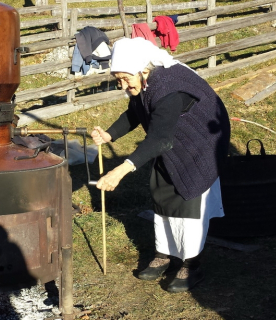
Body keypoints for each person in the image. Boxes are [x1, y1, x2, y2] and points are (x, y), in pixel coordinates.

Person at [91, 37, 230, 293]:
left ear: (143, 69)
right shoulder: (145, 82)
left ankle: (191, 264)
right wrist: (110, 134)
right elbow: (136, 111)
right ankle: (165, 254)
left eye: (125, 78)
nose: (122, 85)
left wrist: (121, 170)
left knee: (188, 202)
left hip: (199, 146)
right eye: (118, 79)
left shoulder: (168, 86)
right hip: (171, 141)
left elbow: (159, 138)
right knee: (162, 191)